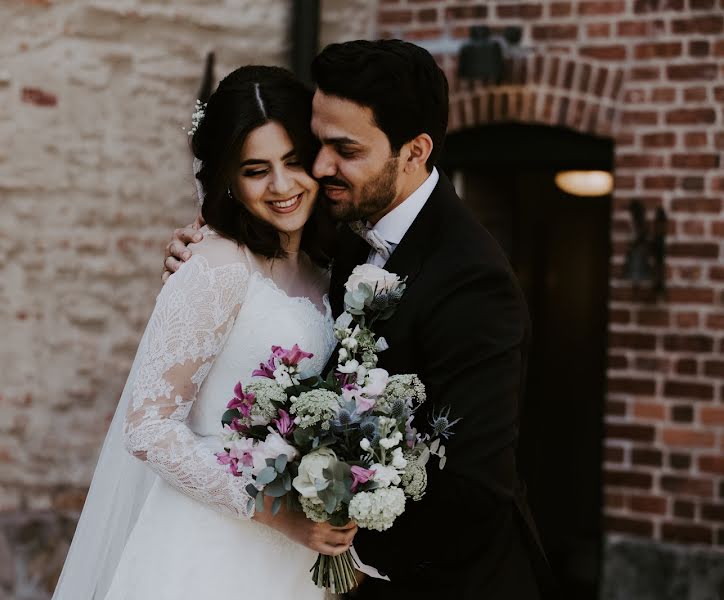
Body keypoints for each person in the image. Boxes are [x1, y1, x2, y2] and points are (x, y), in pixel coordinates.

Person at [164, 40, 556, 599]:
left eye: (344, 149)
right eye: (316, 143)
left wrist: (336, 542)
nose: (320, 168)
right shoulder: (338, 216)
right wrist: (194, 256)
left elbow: (475, 494)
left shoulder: (474, 282)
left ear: (415, 151)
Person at [52, 65, 356, 600]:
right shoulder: (214, 265)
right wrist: (274, 512)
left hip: (298, 559)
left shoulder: (329, 271)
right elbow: (148, 426)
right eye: (256, 170)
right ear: (229, 182)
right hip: (210, 548)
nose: (282, 186)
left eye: (292, 161)